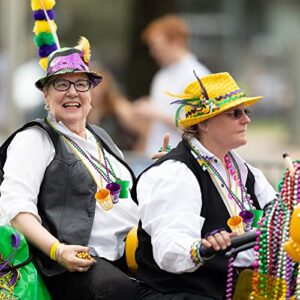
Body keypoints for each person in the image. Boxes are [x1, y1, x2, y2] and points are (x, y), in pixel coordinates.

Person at [0, 38, 137, 300]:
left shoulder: (102, 138)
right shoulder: (35, 139)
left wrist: (163, 167)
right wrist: (57, 250)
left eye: (81, 83)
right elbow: (16, 209)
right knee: (119, 290)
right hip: (70, 264)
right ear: (46, 95)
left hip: (130, 253)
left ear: (91, 92)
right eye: (61, 84)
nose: (72, 92)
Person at [132, 72, 276, 299]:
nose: (246, 119)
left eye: (246, 112)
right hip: (181, 293)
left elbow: (278, 215)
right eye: (235, 113)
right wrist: (200, 248)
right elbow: (170, 247)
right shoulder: (175, 173)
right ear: (204, 123)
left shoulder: (246, 172)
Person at [133, 14, 210, 156]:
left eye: (157, 46)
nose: (153, 52)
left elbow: (201, 128)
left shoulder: (197, 75)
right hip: (157, 157)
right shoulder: (161, 76)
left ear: (176, 41)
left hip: (183, 161)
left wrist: (154, 112)